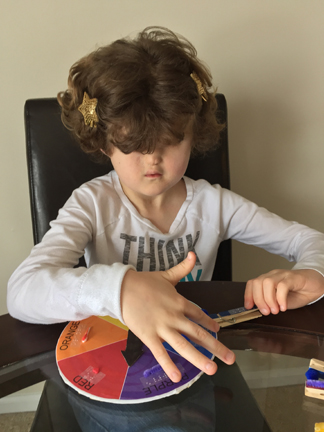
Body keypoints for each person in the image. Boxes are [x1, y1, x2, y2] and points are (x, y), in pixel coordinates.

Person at [7, 27, 324, 384]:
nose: (152, 160)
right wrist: (121, 289)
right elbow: (22, 291)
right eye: (132, 145)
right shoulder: (92, 204)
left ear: (194, 134)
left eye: (171, 142)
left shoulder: (215, 205)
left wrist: (310, 272)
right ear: (103, 143)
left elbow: (312, 243)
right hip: (108, 367)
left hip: (193, 358)